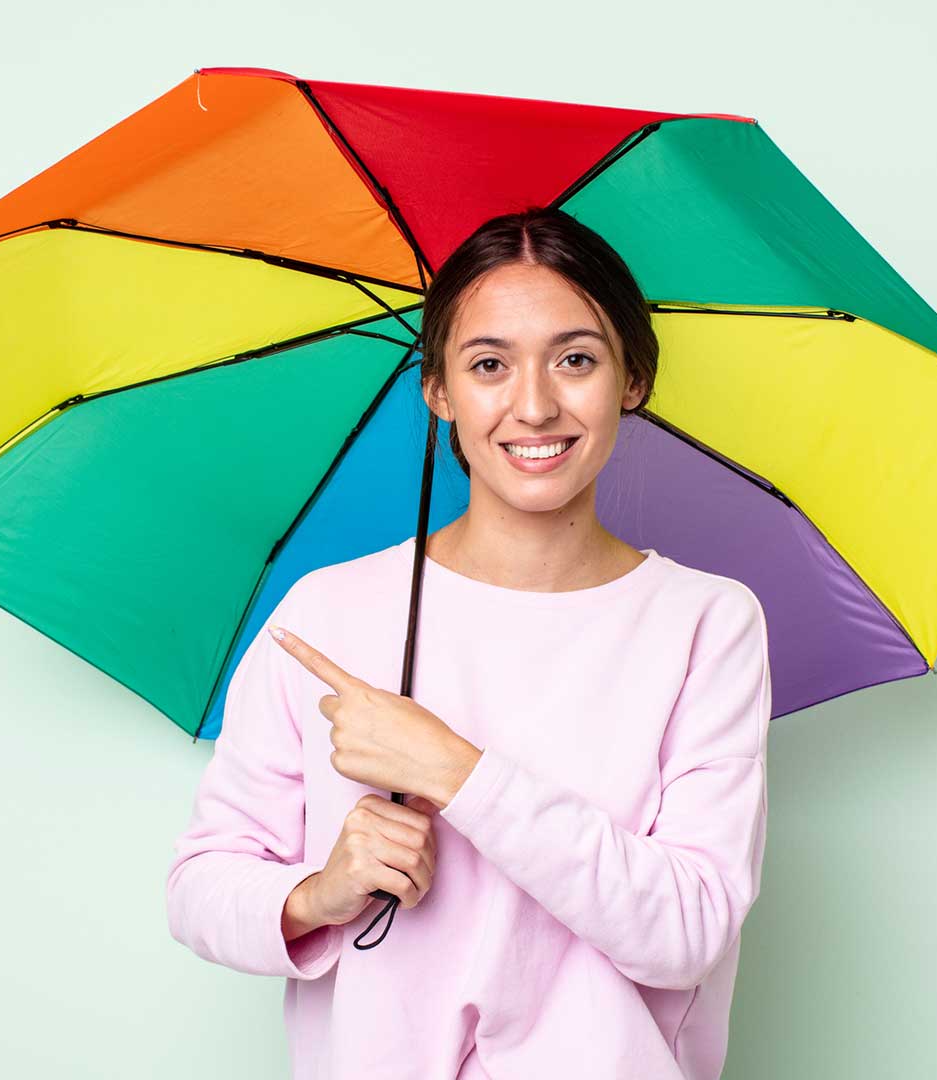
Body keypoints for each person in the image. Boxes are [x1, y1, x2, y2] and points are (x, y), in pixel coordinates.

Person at [165, 207, 772, 1079]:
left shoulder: (706, 623)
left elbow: (686, 931)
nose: (534, 405)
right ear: (439, 390)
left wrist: (457, 772)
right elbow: (201, 886)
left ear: (632, 378)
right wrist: (319, 891)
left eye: (576, 359)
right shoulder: (330, 613)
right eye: (489, 364)